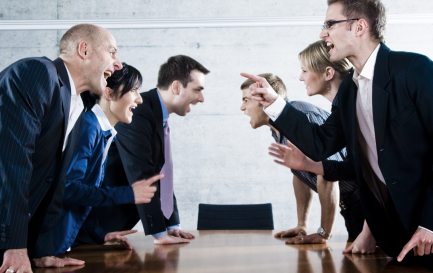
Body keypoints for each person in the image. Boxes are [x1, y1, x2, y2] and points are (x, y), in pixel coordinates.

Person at [242, 0, 433, 266]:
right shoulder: (349, 92)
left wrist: (430, 224)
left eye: (330, 24)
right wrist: (275, 103)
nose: (323, 33)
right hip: (397, 240)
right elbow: (321, 144)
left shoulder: (414, 69)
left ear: (359, 27)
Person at [0, 24, 122, 272]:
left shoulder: (76, 104)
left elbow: (50, 184)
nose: (117, 64)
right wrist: (14, 245)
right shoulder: (37, 73)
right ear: (84, 50)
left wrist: (39, 252)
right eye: (112, 52)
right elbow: (12, 164)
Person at [32, 63, 163, 266]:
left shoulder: (99, 131)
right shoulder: (88, 127)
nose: (140, 99)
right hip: (44, 249)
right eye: (134, 91)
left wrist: (101, 235)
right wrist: (129, 193)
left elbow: (80, 198)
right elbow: (66, 189)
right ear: (109, 93)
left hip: (57, 249)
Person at [77, 55, 210, 245]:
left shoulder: (156, 115)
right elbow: (142, 173)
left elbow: (162, 174)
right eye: (197, 90)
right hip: (93, 226)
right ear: (176, 87)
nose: (202, 98)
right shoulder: (137, 113)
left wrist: (172, 225)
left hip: (108, 231)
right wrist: (159, 233)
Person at [240, 71, 362, 245]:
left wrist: (323, 233)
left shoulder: (300, 117)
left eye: (245, 100)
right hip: (350, 208)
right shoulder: (278, 127)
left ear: (262, 98)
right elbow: (300, 173)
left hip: (369, 207)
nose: (242, 108)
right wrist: (301, 224)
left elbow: (328, 176)